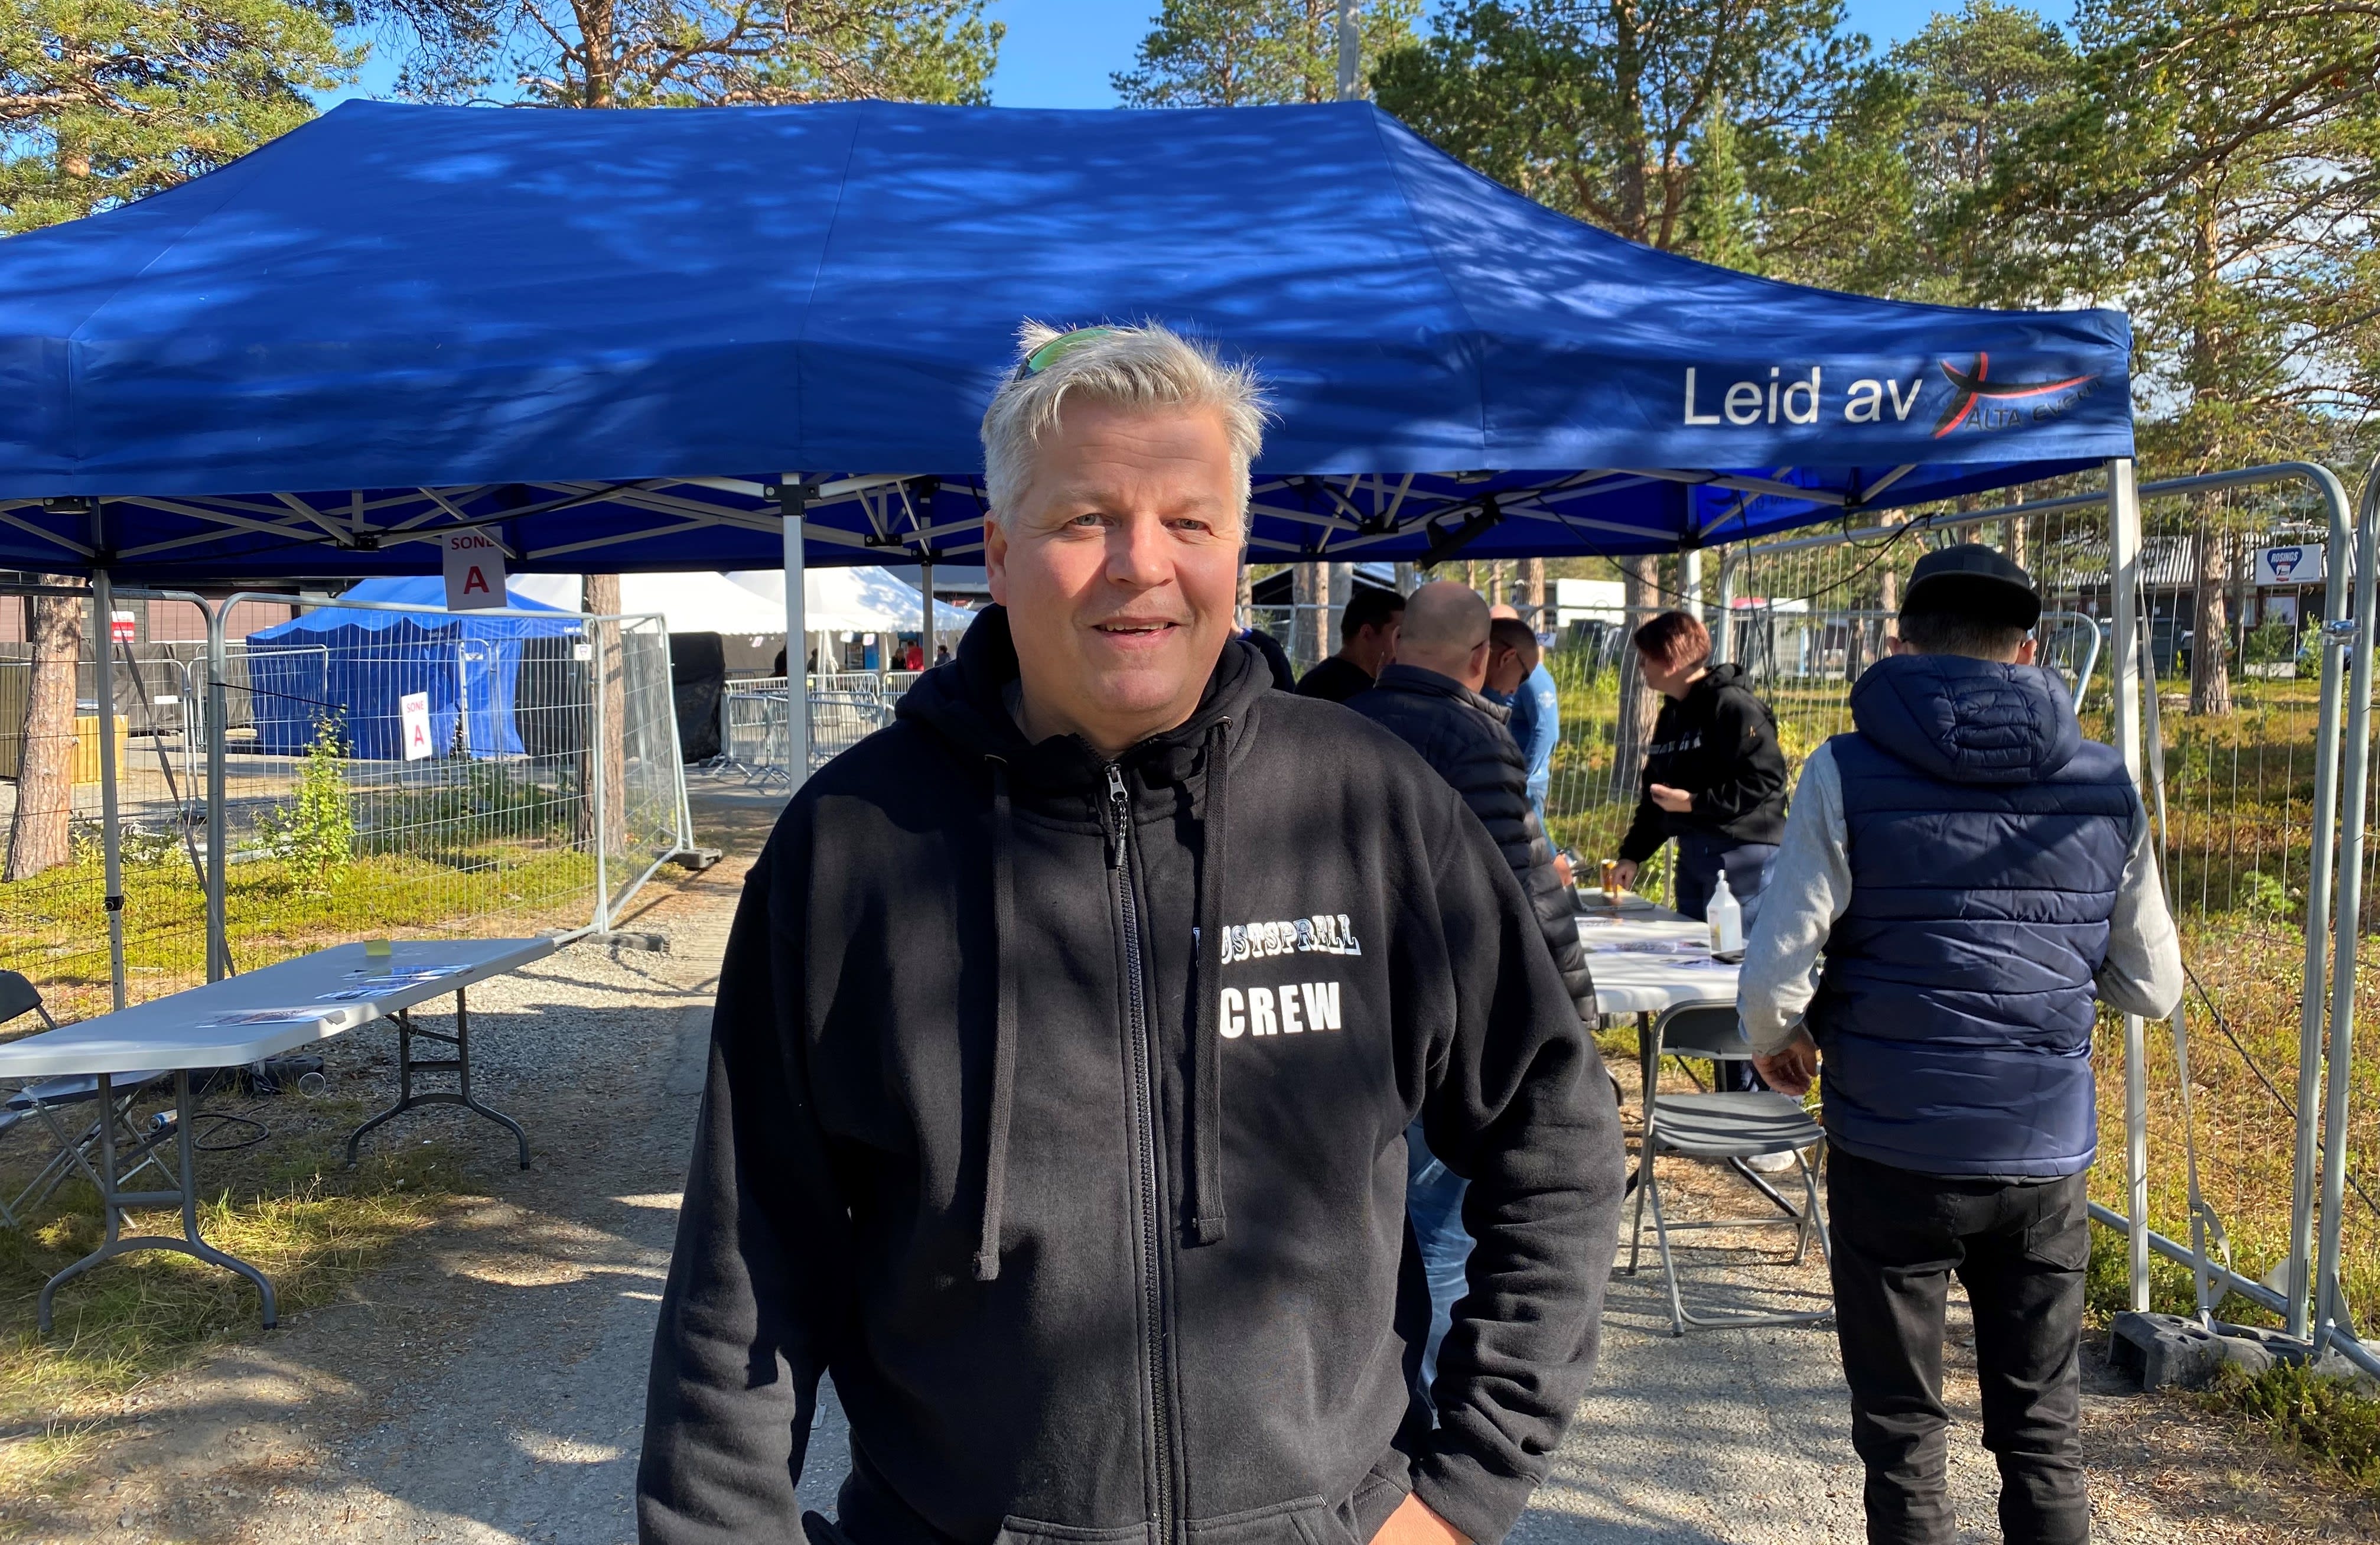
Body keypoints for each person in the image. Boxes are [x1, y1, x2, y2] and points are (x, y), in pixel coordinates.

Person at [639, 322, 1626, 1545]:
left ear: (1236, 552)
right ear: (999, 555)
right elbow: (744, 1266)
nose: (1140, 563)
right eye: (1084, 519)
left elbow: (1556, 1129)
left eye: (1187, 521)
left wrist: (1461, 1489)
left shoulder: (1368, 805)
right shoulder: (850, 845)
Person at [1738, 544, 2183, 1545]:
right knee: (2042, 1427)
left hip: (1889, 1142)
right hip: (2041, 1151)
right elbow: (2152, 986)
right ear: (2028, 649)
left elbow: (1776, 971)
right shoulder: (2104, 781)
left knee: (1901, 1429)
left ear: (1900, 643)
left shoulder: (1844, 768)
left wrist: (1777, 1040)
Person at [1346, 582, 1597, 1392]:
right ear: (1483, 657)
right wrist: (1575, 1013)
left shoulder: (1335, 724)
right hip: (1445, 1025)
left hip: (1344, 1023)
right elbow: (1522, 898)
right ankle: (1423, 1411)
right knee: (1441, 1235)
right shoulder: (1474, 736)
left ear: (1395, 643)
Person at [1609, 610, 1788, 932]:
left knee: (1732, 953)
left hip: (1743, 856)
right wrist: (1632, 856)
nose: (1641, 667)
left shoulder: (1733, 706)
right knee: (1694, 952)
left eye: (1647, 658)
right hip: (1694, 854)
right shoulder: (1672, 714)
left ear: (1671, 660)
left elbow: (1767, 780)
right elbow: (1658, 797)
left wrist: (1694, 803)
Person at [1482, 617, 1558, 822]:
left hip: (1524, 784)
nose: (1515, 689)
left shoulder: (1534, 675)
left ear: (1508, 655)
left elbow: (1547, 733)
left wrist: (1521, 778)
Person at [1296, 586, 1404, 702]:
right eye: (1398, 635)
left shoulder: (1318, 680)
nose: (1403, 644)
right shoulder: (1325, 688)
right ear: (1367, 633)